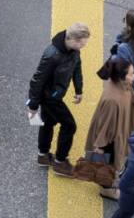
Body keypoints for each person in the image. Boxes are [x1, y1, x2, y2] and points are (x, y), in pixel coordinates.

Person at [27, 22, 90, 177]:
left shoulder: (73, 51)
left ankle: (43, 155)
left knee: (48, 122)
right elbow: (37, 80)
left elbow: (77, 67)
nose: (84, 45)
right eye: (83, 42)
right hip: (50, 98)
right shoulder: (52, 55)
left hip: (55, 94)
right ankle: (60, 162)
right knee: (69, 126)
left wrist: (79, 89)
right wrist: (33, 105)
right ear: (74, 40)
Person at [84, 57, 134, 200]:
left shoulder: (120, 84)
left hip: (118, 131)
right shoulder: (112, 99)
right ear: (122, 76)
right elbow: (105, 127)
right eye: (131, 73)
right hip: (110, 139)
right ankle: (107, 189)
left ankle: (114, 177)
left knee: (114, 160)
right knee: (108, 162)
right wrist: (100, 147)